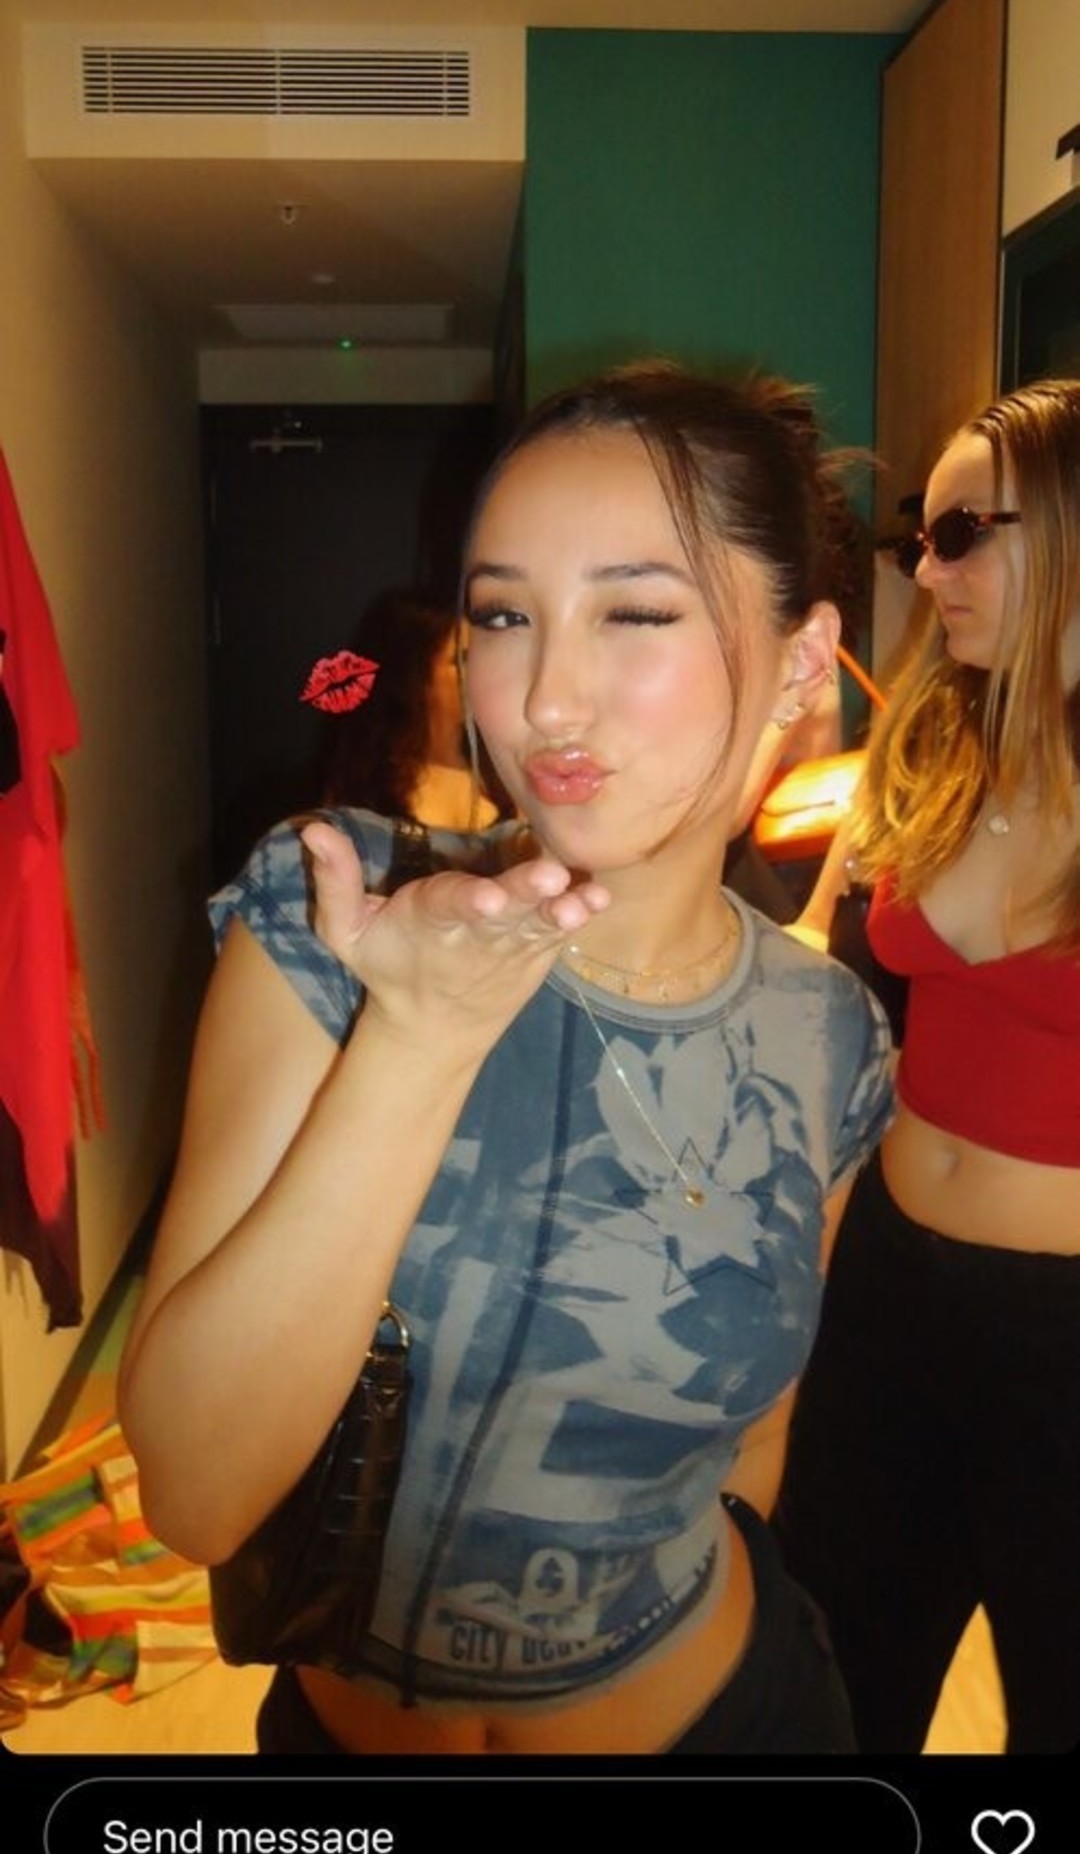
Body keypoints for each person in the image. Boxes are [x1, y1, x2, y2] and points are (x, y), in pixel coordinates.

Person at [118, 360, 894, 1757]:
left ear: (799, 658)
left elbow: (751, 1444)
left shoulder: (826, 1033)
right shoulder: (339, 910)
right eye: (502, 615)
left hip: (721, 1716)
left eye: (635, 611)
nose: (544, 698)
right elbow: (196, 1492)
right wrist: (417, 1037)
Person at [776, 378, 1080, 1755]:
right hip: (889, 1288)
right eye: (920, 537)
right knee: (838, 1672)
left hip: (1064, 1335)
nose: (927, 569)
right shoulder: (930, 743)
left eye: (962, 533)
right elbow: (812, 949)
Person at [315, 587, 502, 833]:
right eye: (461, 660)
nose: (482, 671)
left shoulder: (502, 771)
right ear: (412, 676)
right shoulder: (370, 792)